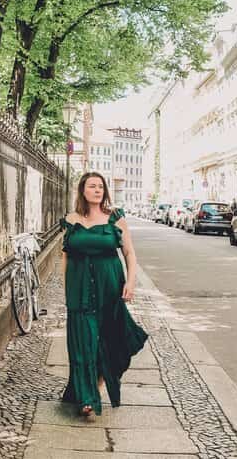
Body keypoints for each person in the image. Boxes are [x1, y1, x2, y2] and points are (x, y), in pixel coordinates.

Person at [60, 172, 149, 420]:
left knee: (109, 338)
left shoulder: (115, 218)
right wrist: (65, 289)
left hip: (109, 286)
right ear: (83, 190)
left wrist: (131, 282)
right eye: (92, 186)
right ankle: (87, 398)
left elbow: (129, 253)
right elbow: (65, 255)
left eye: (101, 186)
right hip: (79, 289)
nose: (98, 190)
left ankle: (94, 384)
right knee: (83, 341)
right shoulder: (70, 220)